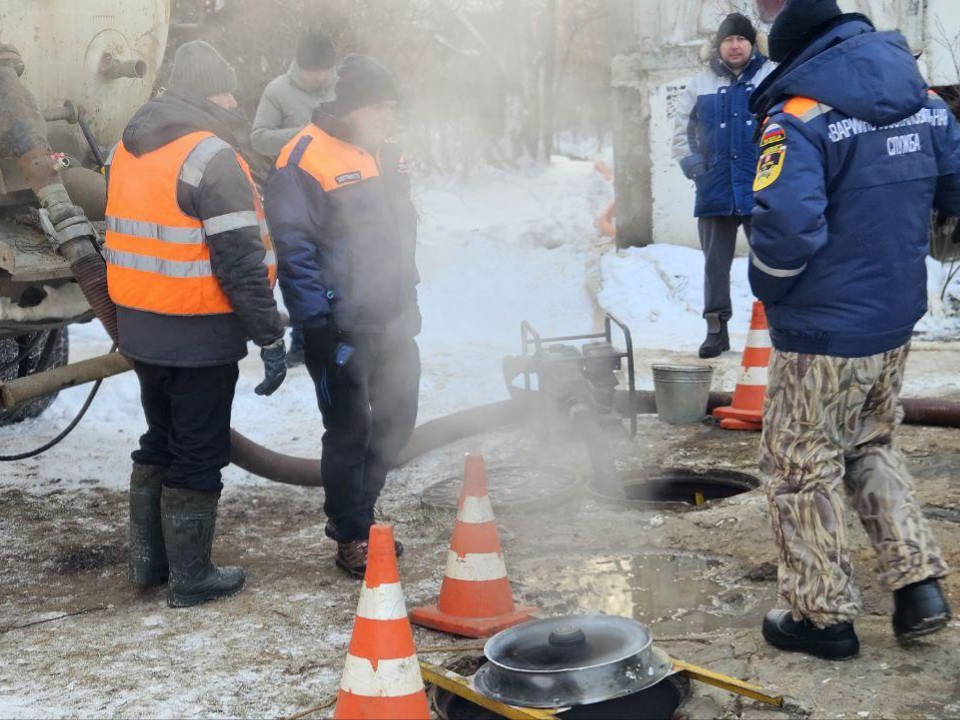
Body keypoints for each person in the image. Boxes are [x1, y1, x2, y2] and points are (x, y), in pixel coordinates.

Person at [748, 0, 959, 660]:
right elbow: (953, 203)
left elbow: (784, 231)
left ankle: (821, 617)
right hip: (894, 320)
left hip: (822, 330)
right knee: (871, 444)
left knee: (798, 470)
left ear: (796, 48)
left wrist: (776, 292)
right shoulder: (925, 101)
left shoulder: (801, 116)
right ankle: (918, 585)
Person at [105, 41, 287, 608]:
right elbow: (240, 261)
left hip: (142, 328)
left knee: (158, 440)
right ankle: (191, 576)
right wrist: (269, 334)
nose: (235, 99)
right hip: (198, 333)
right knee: (198, 450)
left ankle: (149, 562)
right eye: (228, 88)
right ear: (210, 91)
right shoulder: (210, 156)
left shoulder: (126, 147)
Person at [265, 55, 421, 578]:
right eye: (382, 107)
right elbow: (294, 248)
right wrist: (317, 321)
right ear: (354, 108)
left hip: (392, 317)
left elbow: (402, 236)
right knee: (350, 429)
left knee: (398, 421)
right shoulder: (302, 157)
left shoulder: (388, 155)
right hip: (340, 323)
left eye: (395, 108)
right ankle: (351, 532)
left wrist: (411, 296)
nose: (391, 117)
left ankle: (363, 510)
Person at [672, 13, 776, 358]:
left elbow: (784, 125)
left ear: (751, 44)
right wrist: (698, 170)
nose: (734, 46)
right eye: (728, 40)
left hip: (760, 187)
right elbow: (681, 135)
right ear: (718, 46)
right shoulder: (698, 84)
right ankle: (716, 329)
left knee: (770, 259)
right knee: (715, 265)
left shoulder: (769, 77)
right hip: (714, 188)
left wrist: (776, 172)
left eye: (741, 39)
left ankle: (776, 325)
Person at [252, 31, 337, 368]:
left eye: (325, 72)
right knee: (301, 266)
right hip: (294, 193)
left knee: (337, 263)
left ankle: (343, 334)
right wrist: (306, 135)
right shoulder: (278, 91)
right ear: (299, 68)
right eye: (312, 72)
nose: (320, 78)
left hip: (338, 190)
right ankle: (304, 342)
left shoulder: (342, 88)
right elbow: (259, 139)